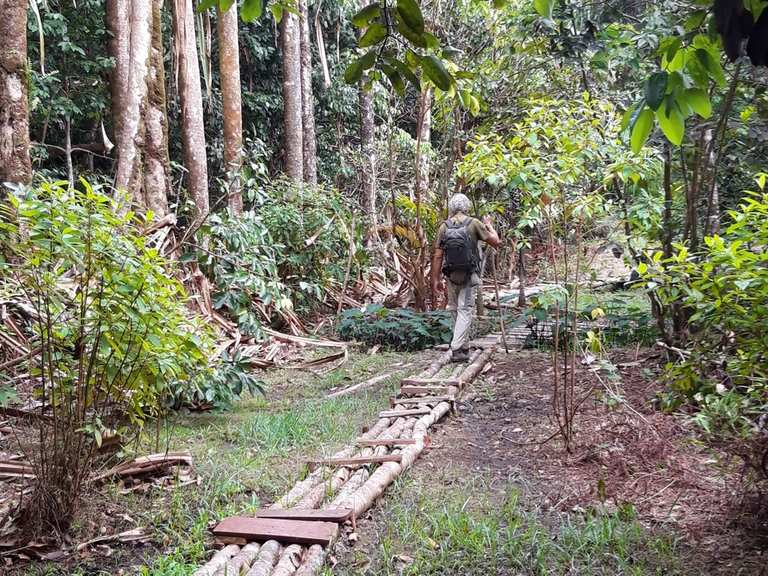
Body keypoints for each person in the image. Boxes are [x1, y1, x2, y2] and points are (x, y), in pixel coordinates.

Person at [431, 193, 501, 362]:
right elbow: (496, 242)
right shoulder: (474, 224)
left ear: (452, 208)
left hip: (451, 275)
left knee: (455, 309)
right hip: (470, 276)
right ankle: (456, 346)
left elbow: (438, 256)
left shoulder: (444, 227)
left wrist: (435, 279)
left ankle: (463, 349)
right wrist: (489, 226)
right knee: (465, 310)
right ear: (467, 207)